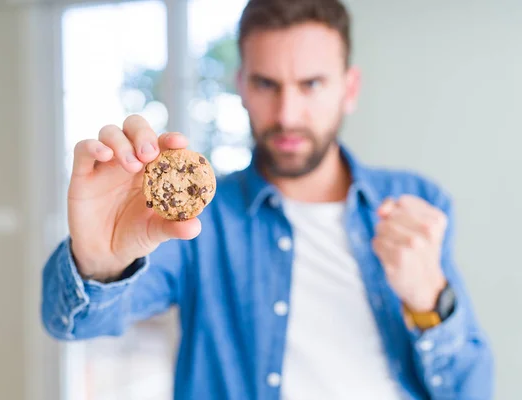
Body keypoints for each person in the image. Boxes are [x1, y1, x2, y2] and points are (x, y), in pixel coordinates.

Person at [41, 0, 494, 399]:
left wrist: (429, 300)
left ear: (349, 89)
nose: (287, 114)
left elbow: (472, 391)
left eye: (312, 84)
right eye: (266, 84)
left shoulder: (416, 203)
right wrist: (98, 263)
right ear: (241, 85)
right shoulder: (198, 223)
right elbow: (72, 323)